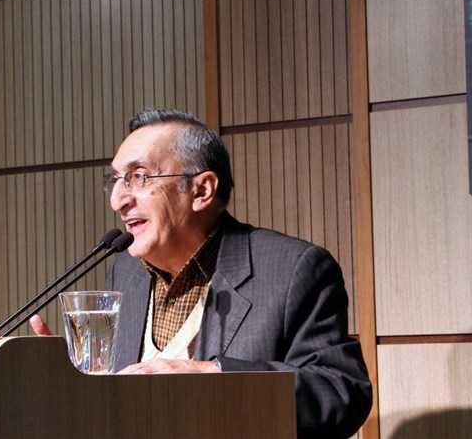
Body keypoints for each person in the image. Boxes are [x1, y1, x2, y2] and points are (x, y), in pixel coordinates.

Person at [31, 108, 372, 438]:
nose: (118, 200)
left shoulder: (293, 268)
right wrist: (75, 386)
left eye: (138, 177)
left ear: (202, 190)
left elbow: (341, 393)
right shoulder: (126, 272)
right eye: (117, 180)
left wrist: (215, 375)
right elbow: (120, 402)